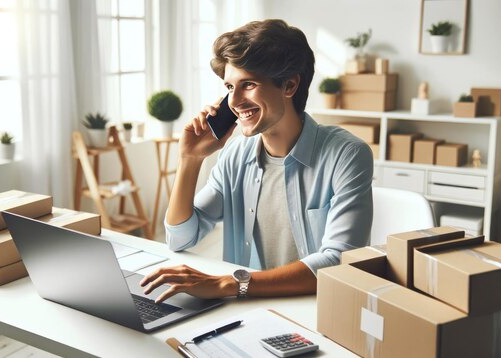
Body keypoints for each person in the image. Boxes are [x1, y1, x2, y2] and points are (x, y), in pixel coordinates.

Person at [140, 19, 373, 303]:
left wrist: (230, 284)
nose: (234, 101)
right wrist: (190, 159)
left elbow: (339, 260)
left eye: (248, 84)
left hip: (316, 307)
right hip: (247, 306)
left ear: (289, 85)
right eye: (229, 87)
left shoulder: (346, 155)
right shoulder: (235, 155)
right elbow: (180, 238)